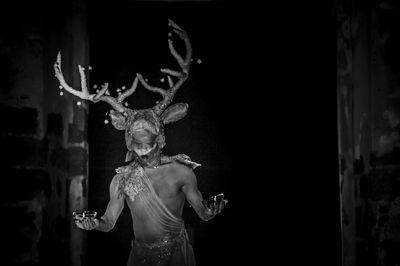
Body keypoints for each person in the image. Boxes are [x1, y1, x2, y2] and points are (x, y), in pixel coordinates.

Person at [54, 19, 228, 266]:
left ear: (161, 140)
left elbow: (202, 211)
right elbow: (109, 221)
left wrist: (210, 210)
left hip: (178, 257)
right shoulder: (122, 178)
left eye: (149, 146)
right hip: (140, 258)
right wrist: (94, 223)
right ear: (128, 142)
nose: (144, 153)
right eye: (138, 146)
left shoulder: (182, 172)